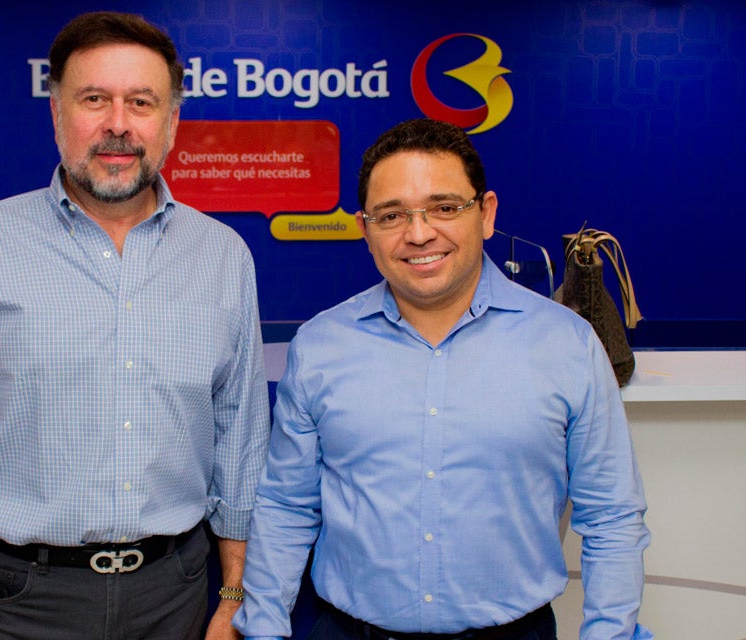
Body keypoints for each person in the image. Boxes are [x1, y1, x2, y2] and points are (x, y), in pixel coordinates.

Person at [0, 11, 270, 640]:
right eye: (94, 99)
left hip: (178, 592)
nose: (118, 124)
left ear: (171, 122)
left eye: (141, 102)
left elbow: (240, 450)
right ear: (57, 113)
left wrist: (233, 597)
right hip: (20, 599)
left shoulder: (223, 257)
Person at [233, 119, 651, 640]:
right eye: (392, 215)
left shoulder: (566, 344)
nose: (419, 233)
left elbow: (611, 516)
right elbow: (286, 507)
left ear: (486, 213)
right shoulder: (320, 346)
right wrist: (264, 629)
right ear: (365, 229)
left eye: (445, 207)